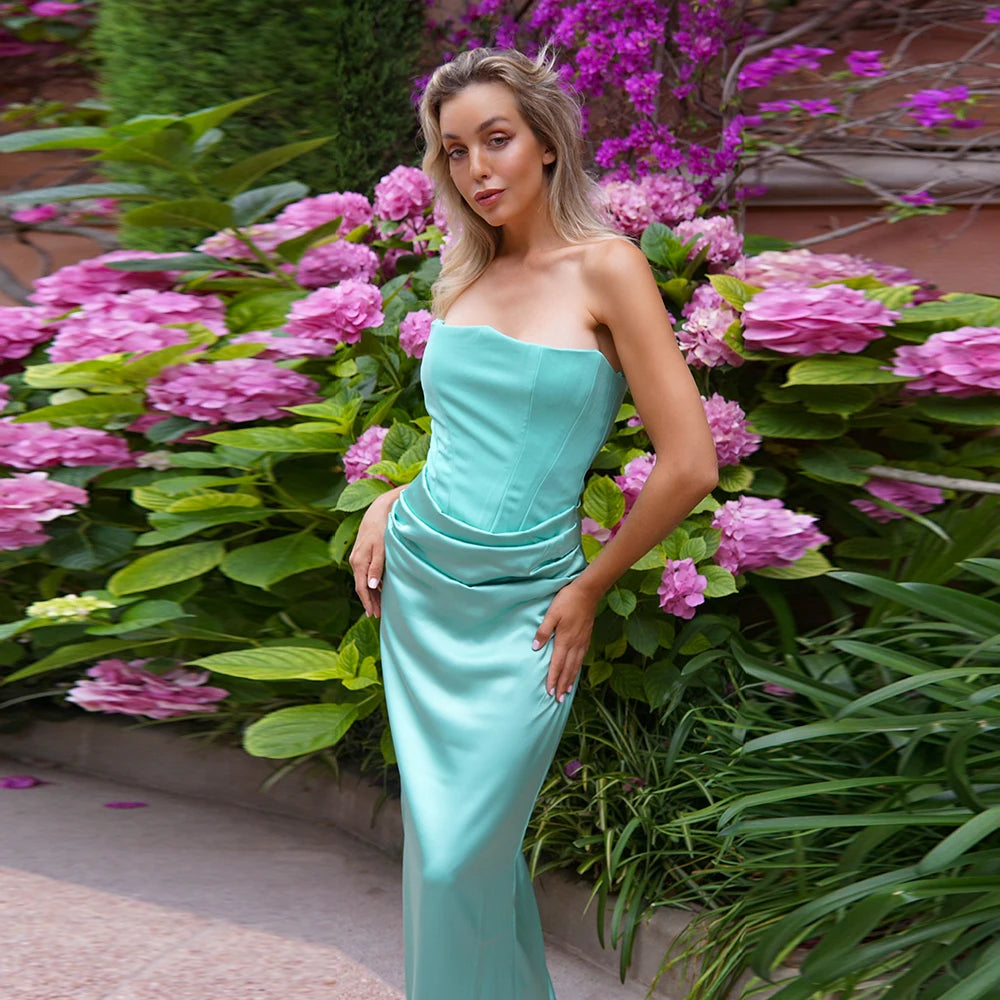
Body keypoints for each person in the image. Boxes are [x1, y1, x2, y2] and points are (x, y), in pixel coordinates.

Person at [349, 45, 718, 1000]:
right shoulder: (460, 280)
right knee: (457, 860)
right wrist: (392, 499)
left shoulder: (609, 268)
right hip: (424, 588)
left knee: (459, 857)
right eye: (456, 149)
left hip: (532, 607)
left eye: (497, 140)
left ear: (547, 143)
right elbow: (466, 436)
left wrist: (593, 587)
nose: (478, 169)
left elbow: (689, 464)